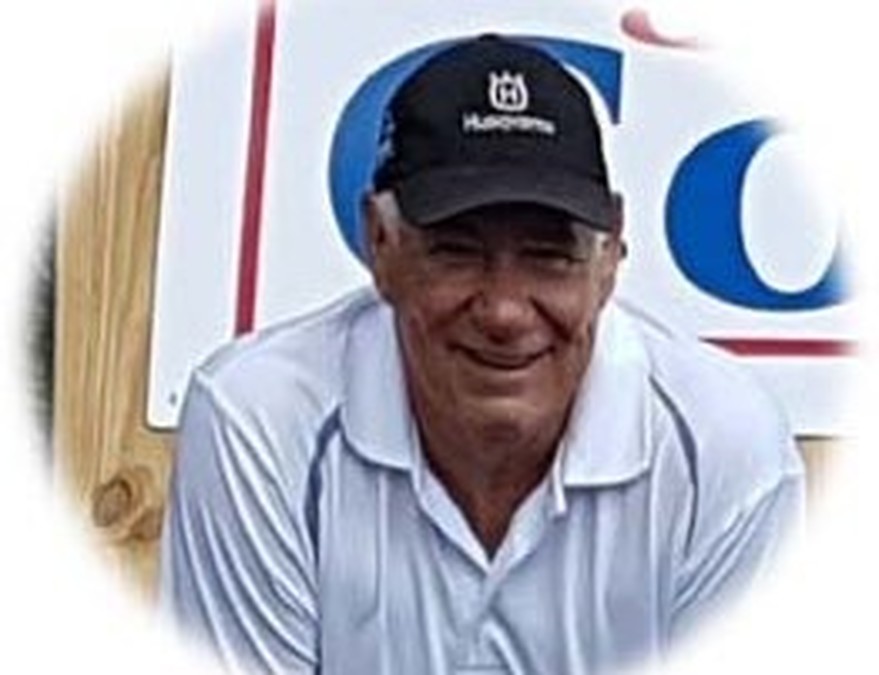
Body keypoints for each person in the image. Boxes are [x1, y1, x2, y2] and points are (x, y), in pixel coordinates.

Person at [160, 35, 805, 674]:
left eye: (549, 255)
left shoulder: (723, 451)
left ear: (609, 259)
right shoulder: (259, 423)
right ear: (380, 245)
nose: (504, 310)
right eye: (457, 252)